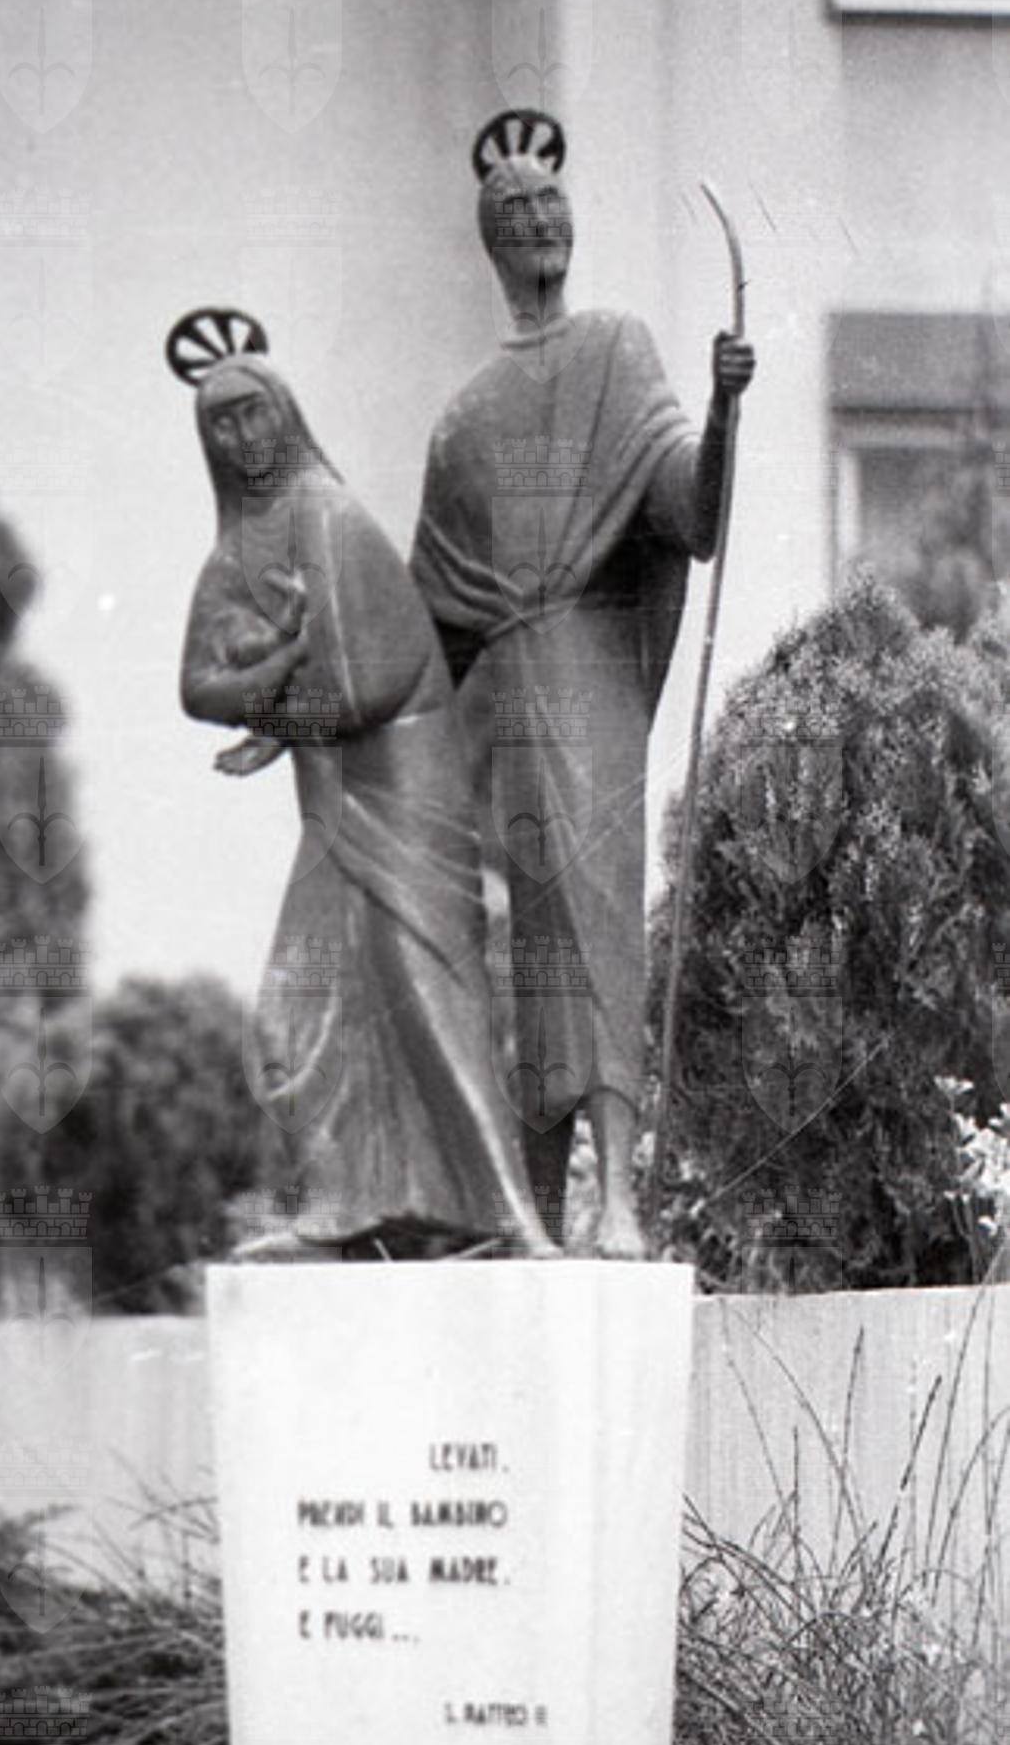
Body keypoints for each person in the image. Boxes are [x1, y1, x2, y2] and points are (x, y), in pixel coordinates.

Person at [410, 112, 755, 1256]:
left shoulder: (616, 349)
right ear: (489, 239)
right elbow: (427, 631)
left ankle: (615, 1200)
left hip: (596, 684)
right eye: (514, 209)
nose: (538, 219)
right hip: (518, 704)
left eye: (550, 201)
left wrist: (720, 409)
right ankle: (537, 1204)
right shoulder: (463, 422)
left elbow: (689, 515)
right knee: (539, 946)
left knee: (600, 920)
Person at [171, 309, 556, 1260]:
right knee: (291, 1011)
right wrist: (278, 682)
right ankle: (341, 1206)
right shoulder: (237, 550)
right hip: (335, 810)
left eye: (253, 412)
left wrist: (274, 717)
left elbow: (361, 689)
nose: (241, 436)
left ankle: (513, 1219)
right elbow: (196, 688)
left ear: (285, 412)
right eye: (220, 424)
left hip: (403, 796)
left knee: (428, 999)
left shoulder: (326, 518)